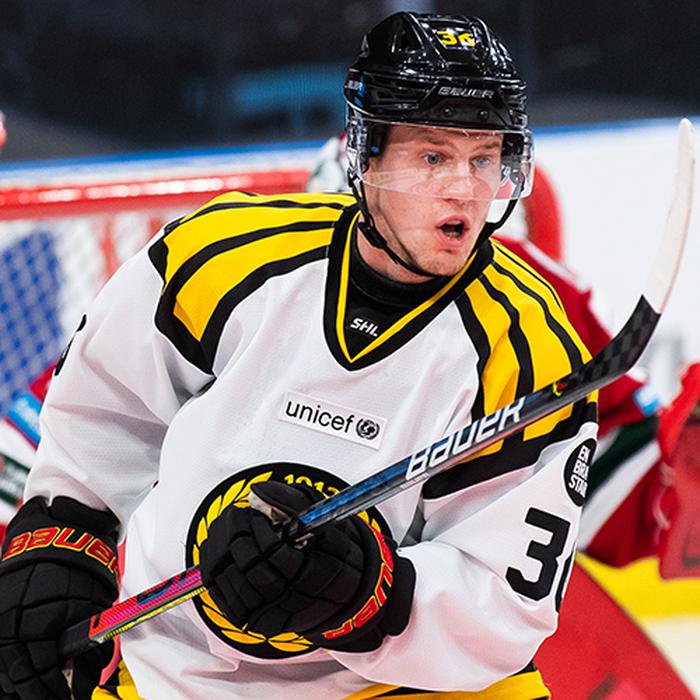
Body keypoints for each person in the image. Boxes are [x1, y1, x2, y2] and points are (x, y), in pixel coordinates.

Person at [0, 13, 598, 700]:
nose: (464, 187)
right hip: (180, 671)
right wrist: (63, 538)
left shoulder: (528, 346)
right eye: (433, 157)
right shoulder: (218, 260)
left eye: (484, 159)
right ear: (366, 155)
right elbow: (104, 414)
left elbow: (508, 609)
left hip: (394, 687)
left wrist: (366, 594)